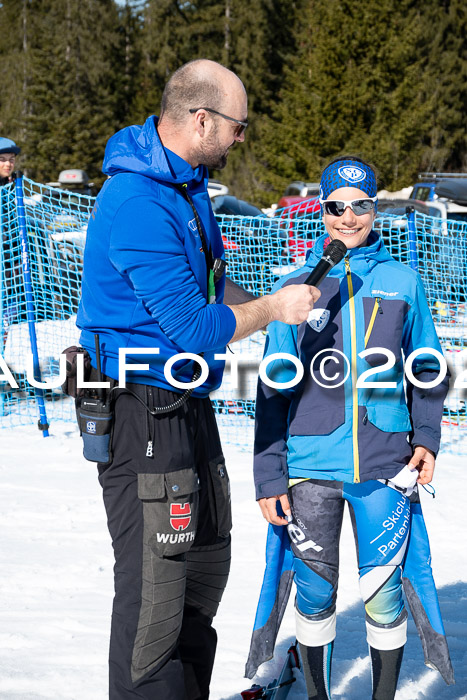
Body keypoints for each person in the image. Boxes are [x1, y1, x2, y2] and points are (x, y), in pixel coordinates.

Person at [76, 58, 319, 700]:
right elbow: (191, 326)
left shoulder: (188, 187)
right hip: (138, 409)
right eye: (237, 127)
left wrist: (277, 311)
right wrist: (270, 310)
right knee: (156, 592)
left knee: (203, 570)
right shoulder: (135, 201)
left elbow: (211, 291)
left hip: (188, 404)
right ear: (202, 119)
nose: (242, 138)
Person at [247, 156, 454, 699]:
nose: (348, 217)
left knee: (383, 595)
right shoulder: (294, 286)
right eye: (337, 205)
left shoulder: (404, 282)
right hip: (309, 470)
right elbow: (272, 385)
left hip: (386, 467)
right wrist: (269, 476)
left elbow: (426, 367)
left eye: (360, 205)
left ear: (374, 209)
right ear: (323, 209)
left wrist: (427, 438)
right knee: (314, 595)